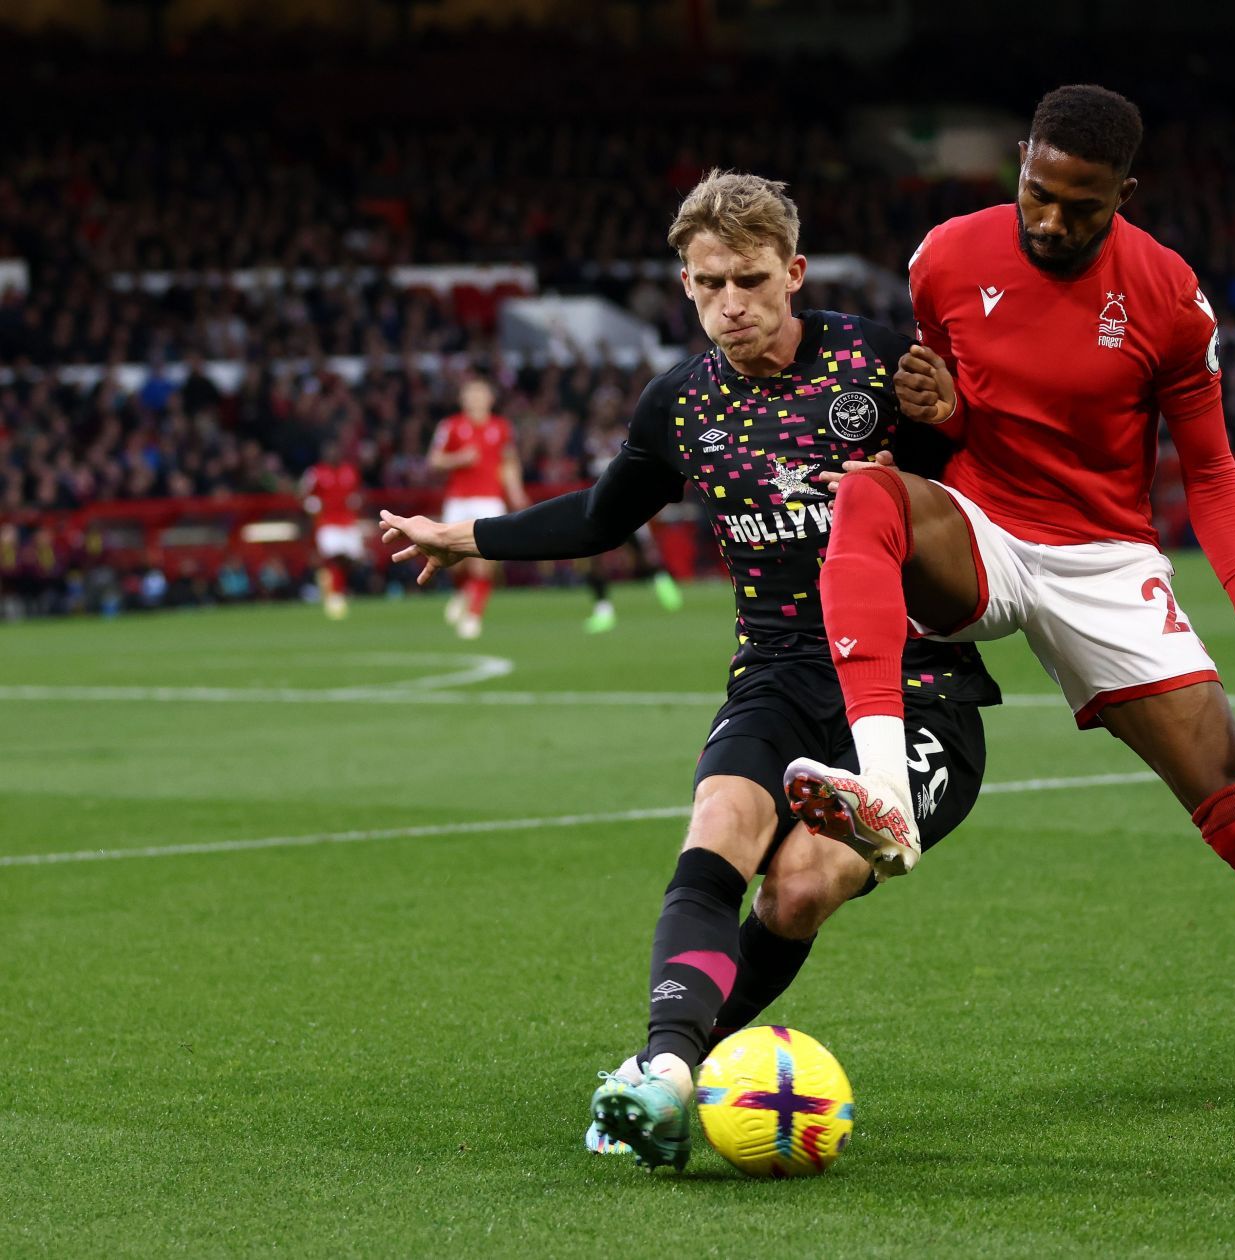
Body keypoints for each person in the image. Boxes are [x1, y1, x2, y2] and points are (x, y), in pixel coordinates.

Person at [785, 85, 1235, 1109]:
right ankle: (884, 791)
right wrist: (938, 417)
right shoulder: (944, 257)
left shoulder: (1168, 297)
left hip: (1106, 562)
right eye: (1038, 194)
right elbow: (947, 429)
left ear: (1125, 192)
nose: (1054, 222)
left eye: (1083, 206)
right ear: (1020, 163)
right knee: (865, 499)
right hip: (983, 529)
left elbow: (1210, 473)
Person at [379, 171, 999, 1168]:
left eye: (750, 279)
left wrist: (960, 422)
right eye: (708, 284)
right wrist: (469, 537)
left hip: (916, 682)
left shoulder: (881, 365)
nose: (730, 305)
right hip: (778, 675)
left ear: (794, 273)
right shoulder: (681, 404)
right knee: (717, 835)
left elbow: (996, 479)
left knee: (798, 888)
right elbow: (597, 515)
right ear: (684, 285)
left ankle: (678, 1061)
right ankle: (666, 1074)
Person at [430, 378, 529, 639]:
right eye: (470, 394)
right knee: (453, 559)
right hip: (457, 500)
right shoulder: (450, 426)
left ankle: (474, 615)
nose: (475, 399)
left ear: (490, 399)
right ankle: (463, 591)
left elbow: (508, 462)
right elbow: (434, 460)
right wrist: (458, 459)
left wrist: (516, 492)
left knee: (484, 558)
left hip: (488, 499)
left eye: (480, 394)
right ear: (462, 399)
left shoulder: (501, 427)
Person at [300, 440, 364, 621]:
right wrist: (311, 506)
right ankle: (334, 595)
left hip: (348, 522)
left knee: (350, 560)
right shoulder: (315, 473)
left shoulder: (350, 471)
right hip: (327, 522)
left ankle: (335, 586)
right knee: (333, 557)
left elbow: (357, 493)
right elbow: (304, 494)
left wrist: (356, 503)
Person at [583, 522, 685, 633]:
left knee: (642, 555)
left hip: (625, 512)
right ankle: (604, 611)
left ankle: (663, 585)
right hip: (599, 515)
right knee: (592, 560)